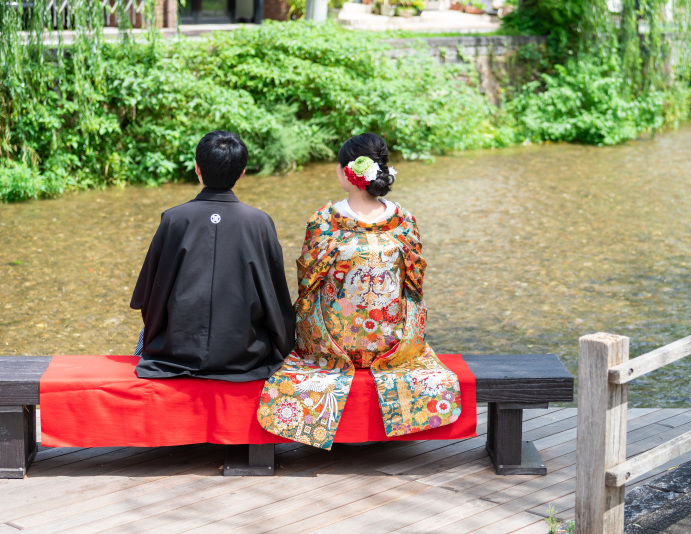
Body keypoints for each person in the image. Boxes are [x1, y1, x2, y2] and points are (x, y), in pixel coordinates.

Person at [256, 133, 462, 449]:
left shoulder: (325, 219)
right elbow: (415, 283)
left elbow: (307, 283)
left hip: (332, 345)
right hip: (392, 344)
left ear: (345, 172)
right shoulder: (403, 219)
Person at [130, 130, 295, 381]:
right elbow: (275, 296)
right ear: (242, 172)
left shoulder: (174, 219)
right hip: (245, 355)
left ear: (197, 168)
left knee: (142, 338)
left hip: (175, 351)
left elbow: (150, 294)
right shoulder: (259, 223)